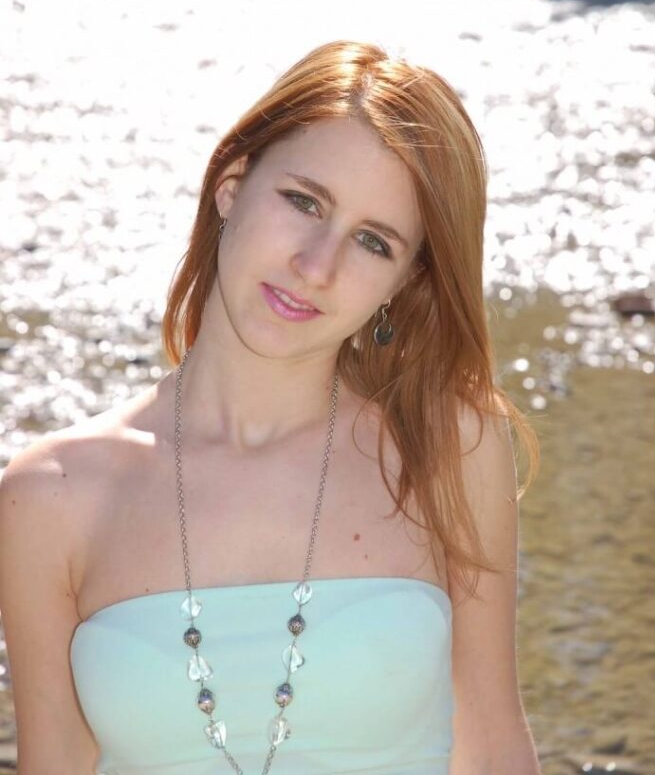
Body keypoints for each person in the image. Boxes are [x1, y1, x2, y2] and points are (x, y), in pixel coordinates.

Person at [0, 39, 542, 774]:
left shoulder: (448, 448)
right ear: (232, 186)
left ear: (405, 283)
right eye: (303, 202)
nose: (316, 266)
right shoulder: (50, 496)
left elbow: (493, 746)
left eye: (372, 242)